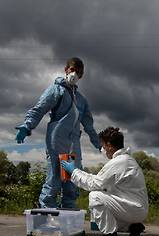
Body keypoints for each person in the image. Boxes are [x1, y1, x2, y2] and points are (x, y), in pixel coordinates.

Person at [15, 57, 101, 209]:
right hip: (56, 142)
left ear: (81, 76)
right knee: (54, 179)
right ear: (66, 70)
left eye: (78, 72)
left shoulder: (81, 100)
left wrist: (99, 144)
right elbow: (40, 108)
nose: (74, 74)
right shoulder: (56, 90)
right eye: (72, 69)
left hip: (72, 146)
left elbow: (89, 125)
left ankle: (68, 216)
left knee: (70, 181)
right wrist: (26, 126)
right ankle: (47, 213)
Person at [60, 126, 148, 236]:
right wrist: (78, 172)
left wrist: (74, 172)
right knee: (105, 201)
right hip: (136, 209)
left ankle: (110, 235)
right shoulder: (127, 160)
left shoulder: (119, 162)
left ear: (109, 145)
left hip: (133, 209)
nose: (103, 149)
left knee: (95, 196)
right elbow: (99, 180)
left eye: (103, 146)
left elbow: (94, 184)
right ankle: (133, 227)